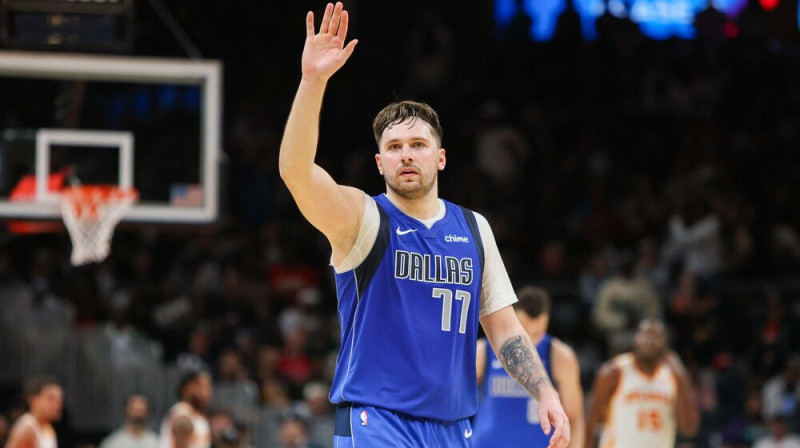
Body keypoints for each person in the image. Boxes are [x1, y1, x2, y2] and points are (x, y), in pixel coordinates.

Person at [278, 3, 570, 447]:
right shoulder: (363, 219)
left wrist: (545, 390)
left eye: (418, 144)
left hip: (453, 428)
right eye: (394, 147)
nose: (407, 154)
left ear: (441, 157)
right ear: (379, 163)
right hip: (377, 421)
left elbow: (506, 330)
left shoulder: (474, 229)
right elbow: (297, 173)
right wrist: (312, 81)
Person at [473, 286, 585, 447]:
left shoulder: (561, 357)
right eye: (525, 332)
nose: (531, 341)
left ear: (546, 322)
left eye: (538, 332)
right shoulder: (484, 351)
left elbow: (575, 419)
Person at [584, 319, 700, 448]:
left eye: (656, 336)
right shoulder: (614, 371)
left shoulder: (672, 376)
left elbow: (689, 428)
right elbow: (591, 420)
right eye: (645, 334)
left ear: (666, 344)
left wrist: (682, 377)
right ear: (635, 338)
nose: (649, 340)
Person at [5, 376, 63, 448]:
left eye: (59, 400)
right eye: (51, 399)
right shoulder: (27, 429)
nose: (57, 405)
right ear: (34, 400)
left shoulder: (48, 428)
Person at [159, 371, 213, 448]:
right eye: (202, 387)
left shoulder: (196, 415)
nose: (207, 392)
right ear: (188, 388)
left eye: (208, 387)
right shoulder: (182, 411)